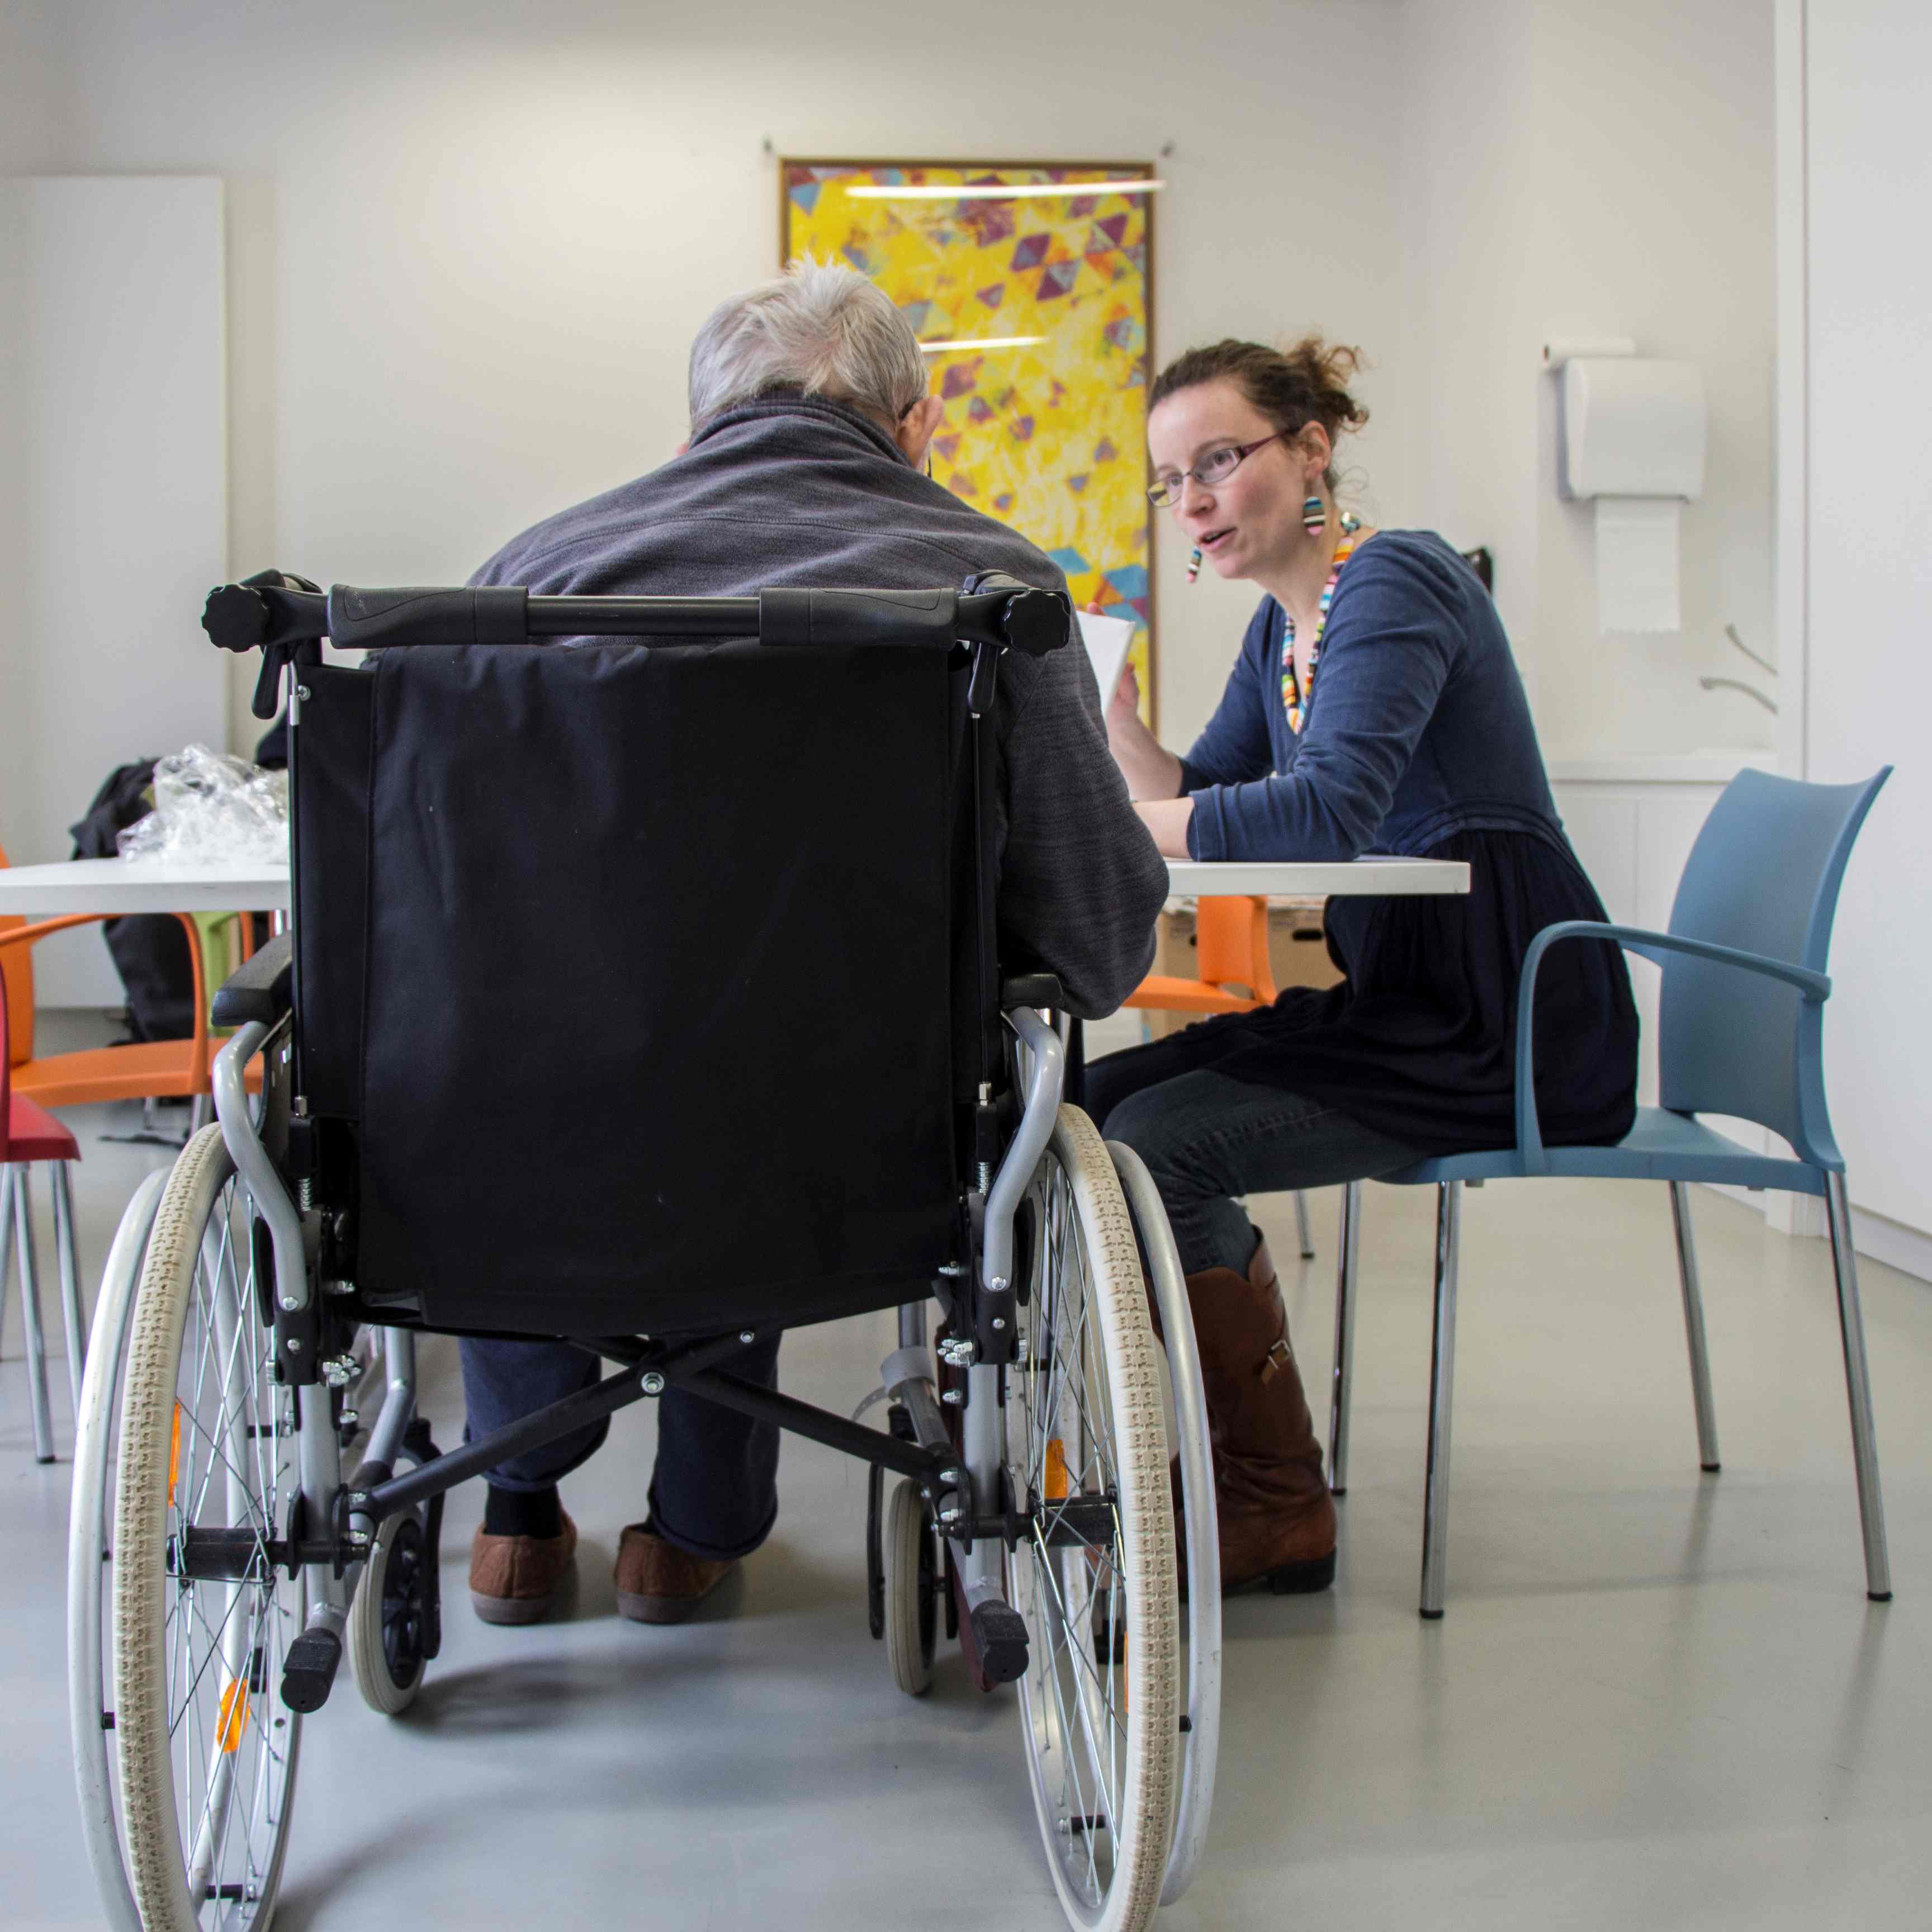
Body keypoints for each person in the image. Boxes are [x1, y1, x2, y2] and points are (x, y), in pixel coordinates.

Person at [461, 260, 1169, 1627]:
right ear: (917, 430)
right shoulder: (997, 583)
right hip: (852, 1139)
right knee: (778, 1075)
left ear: (695, 436)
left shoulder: (533, 575)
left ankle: (516, 1508)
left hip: (545, 1125)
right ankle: (697, 1532)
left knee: (529, 1073)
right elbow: (1094, 937)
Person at [1094, 337, 1639, 1595]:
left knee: (1161, 1136)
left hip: (1505, 1007)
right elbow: (1214, 795)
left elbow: (1324, 815)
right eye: (1173, 480)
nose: (1196, 502)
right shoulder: (1285, 632)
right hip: (1407, 994)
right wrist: (1116, 734)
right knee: (1112, 1101)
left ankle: (1276, 1502)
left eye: (1220, 461)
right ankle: (1204, 1458)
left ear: (1313, 449)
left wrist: (1131, 828)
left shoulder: (1396, 579)